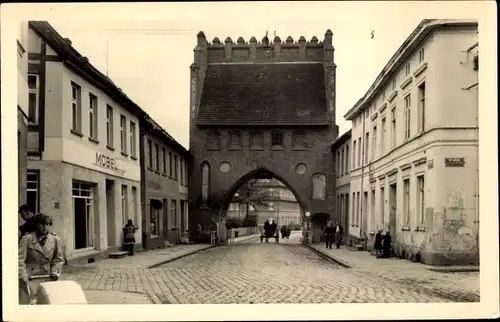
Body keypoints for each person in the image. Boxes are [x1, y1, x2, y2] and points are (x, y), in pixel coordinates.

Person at [18, 213, 64, 304]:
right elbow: (19, 260)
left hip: (48, 277)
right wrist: (23, 276)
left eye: (47, 224)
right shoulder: (27, 239)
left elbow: (58, 259)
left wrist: (55, 272)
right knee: (28, 305)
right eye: (42, 224)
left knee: (48, 303)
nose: (45, 227)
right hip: (29, 278)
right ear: (37, 225)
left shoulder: (55, 240)